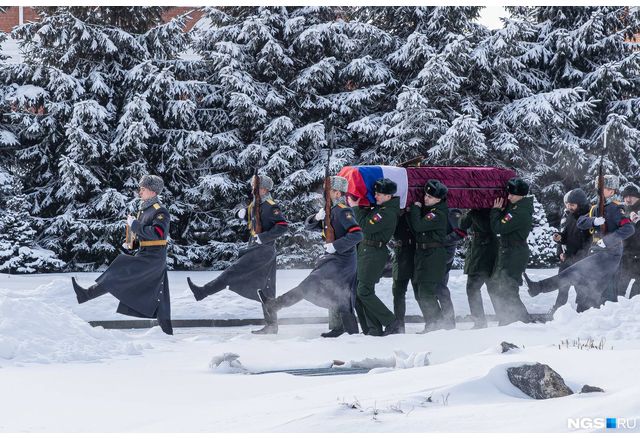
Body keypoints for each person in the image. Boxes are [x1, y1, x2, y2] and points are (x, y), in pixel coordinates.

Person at [259, 176, 362, 337]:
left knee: (312, 284)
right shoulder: (331, 211)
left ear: (337, 193)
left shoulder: (343, 210)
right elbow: (309, 226)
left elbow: (357, 235)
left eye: (328, 191)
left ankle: (275, 304)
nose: (325, 194)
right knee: (341, 294)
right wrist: (316, 217)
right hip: (332, 259)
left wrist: (336, 246)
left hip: (342, 261)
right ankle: (346, 331)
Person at [72, 175, 173, 335]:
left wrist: (134, 224)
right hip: (146, 254)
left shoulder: (160, 211)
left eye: (143, 189)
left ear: (153, 192)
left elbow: (158, 234)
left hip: (153, 258)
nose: (140, 192)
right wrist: (130, 242)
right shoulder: (144, 210)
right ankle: (166, 332)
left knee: (120, 270)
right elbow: (142, 235)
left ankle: (87, 294)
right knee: (160, 296)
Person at [187, 175, 288, 334]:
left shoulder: (270, 206)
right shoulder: (256, 205)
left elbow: (282, 226)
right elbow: (251, 218)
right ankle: (272, 325)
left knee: (233, 271)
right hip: (257, 248)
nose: (252, 190)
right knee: (266, 289)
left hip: (264, 250)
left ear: (264, 189)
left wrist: (262, 238)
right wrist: (240, 213)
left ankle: (203, 292)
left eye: (256, 187)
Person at [524, 175, 635, 312]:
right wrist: (593, 221)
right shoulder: (595, 209)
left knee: (573, 273)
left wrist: (607, 241)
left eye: (604, 188)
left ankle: (539, 287)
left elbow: (629, 228)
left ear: (612, 191)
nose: (600, 190)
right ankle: (582, 311)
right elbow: (581, 222)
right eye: (599, 188)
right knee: (581, 281)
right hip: (597, 254)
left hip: (610, 255)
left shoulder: (616, 209)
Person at [350, 178, 402, 336]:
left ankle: (391, 322)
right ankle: (372, 329)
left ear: (388, 196)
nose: (376, 196)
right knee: (360, 293)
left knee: (364, 291)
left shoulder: (386, 212)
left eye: (379, 194)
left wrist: (356, 208)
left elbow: (365, 226)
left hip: (373, 253)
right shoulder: (380, 208)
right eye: (376, 193)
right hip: (366, 251)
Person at [489, 177, 533, 325]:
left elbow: (498, 228)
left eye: (512, 195)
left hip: (514, 253)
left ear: (521, 195)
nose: (508, 197)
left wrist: (495, 211)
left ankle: (524, 321)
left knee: (509, 289)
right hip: (510, 251)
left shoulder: (519, 212)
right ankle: (507, 320)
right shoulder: (515, 207)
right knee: (501, 287)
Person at [408, 179, 449, 333]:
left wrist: (415, 208)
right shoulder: (431, 211)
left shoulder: (437, 214)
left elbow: (418, 226)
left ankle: (436, 325)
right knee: (420, 292)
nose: (425, 198)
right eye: (425, 195)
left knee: (426, 292)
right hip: (424, 255)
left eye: (430, 197)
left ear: (438, 199)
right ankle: (434, 324)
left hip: (432, 257)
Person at [548, 188, 591, 314]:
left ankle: (583, 311)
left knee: (581, 288)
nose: (569, 207)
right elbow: (565, 236)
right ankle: (558, 310)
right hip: (566, 259)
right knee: (562, 286)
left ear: (580, 204)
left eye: (572, 204)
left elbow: (588, 243)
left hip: (581, 261)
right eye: (567, 204)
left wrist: (579, 258)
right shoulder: (568, 216)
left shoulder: (587, 218)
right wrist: (559, 241)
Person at [459, 208, 497, 329]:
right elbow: (462, 224)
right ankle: (479, 320)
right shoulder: (474, 210)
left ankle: (504, 318)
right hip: (477, 252)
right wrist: (470, 212)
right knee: (472, 288)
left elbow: (487, 227)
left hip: (489, 252)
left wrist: (474, 212)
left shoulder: (492, 209)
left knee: (493, 289)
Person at [390, 211, 418, 334]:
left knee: (420, 293)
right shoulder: (395, 214)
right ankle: (399, 326)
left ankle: (433, 322)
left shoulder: (417, 212)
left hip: (417, 254)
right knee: (398, 292)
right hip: (401, 254)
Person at [617, 183, 640, 299]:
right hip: (625, 255)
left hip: (639, 256)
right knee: (619, 290)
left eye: (631, 196)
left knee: (636, 296)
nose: (628, 199)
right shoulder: (622, 211)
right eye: (626, 196)